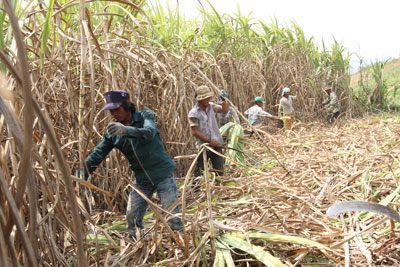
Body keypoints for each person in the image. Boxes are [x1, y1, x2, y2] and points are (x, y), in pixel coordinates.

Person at [80, 90, 183, 242]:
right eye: (111, 111)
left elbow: (149, 132)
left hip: (162, 174)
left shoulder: (144, 116)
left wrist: (126, 131)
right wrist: (80, 177)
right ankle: (140, 248)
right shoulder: (113, 133)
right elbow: (97, 155)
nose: (114, 114)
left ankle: (182, 245)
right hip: (142, 180)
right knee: (132, 218)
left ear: (127, 105)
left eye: (117, 109)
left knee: (172, 216)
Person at [188, 85, 228, 177]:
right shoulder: (194, 112)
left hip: (216, 144)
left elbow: (224, 110)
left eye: (209, 97)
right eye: (205, 98)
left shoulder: (211, 107)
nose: (208, 99)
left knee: (219, 172)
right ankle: (196, 190)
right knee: (199, 173)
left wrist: (224, 100)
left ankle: (219, 188)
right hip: (203, 147)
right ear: (199, 100)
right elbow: (194, 131)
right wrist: (209, 141)